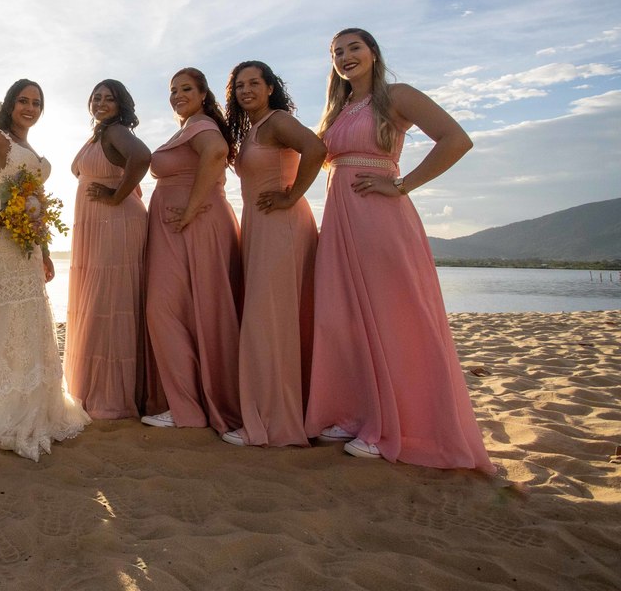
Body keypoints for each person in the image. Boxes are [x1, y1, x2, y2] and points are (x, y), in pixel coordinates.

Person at [304, 28, 493, 472]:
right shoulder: (338, 108)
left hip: (380, 218)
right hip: (339, 220)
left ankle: (392, 426)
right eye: (337, 52)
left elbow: (456, 139)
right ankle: (353, 413)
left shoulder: (397, 96)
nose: (346, 57)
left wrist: (401, 185)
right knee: (342, 316)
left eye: (354, 48)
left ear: (373, 53)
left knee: (390, 316)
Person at [0, 79, 90, 461]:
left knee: (27, 316)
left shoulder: (29, 148)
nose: (30, 107)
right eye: (23, 101)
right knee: (2, 318)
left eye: (37, 102)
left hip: (27, 244)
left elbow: (34, 202)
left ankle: (28, 399)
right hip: (0, 240)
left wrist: (43, 252)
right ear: (10, 104)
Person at [220, 61, 325, 447]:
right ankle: (280, 411)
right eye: (239, 85)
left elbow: (316, 148)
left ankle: (269, 421)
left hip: (281, 226)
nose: (246, 90)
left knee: (269, 322)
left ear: (269, 88)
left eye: (254, 83)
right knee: (274, 319)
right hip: (260, 228)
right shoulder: (253, 129)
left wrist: (292, 194)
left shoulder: (278, 120)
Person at [142, 68, 242, 433]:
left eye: (186, 89)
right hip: (181, 227)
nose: (177, 95)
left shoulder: (202, 126)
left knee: (164, 309)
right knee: (185, 310)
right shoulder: (188, 127)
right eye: (173, 90)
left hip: (192, 226)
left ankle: (186, 407)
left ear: (203, 94)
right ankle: (189, 403)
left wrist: (191, 208)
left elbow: (216, 153)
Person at [65, 80, 151, 419]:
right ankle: (90, 389)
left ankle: (111, 395)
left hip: (115, 224)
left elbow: (142, 157)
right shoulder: (99, 134)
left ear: (120, 105)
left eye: (109, 98)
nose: (101, 103)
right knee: (95, 303)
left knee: (110, 302)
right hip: (96, 227)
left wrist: (117, 196)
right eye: (96, 97)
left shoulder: (116, 131)